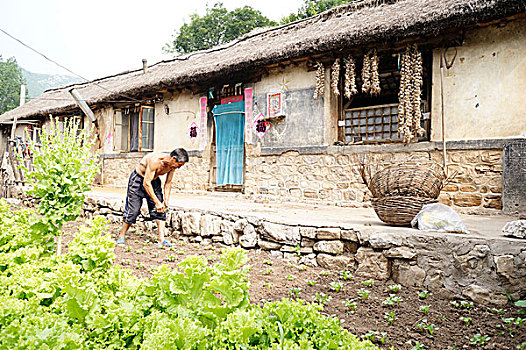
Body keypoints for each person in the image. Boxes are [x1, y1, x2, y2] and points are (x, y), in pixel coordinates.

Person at [116, 148, 188, 247]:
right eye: (179, 165)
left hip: (153, 182)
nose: (179, 167)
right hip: (138, 180)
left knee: (161, 210)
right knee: (133, 210)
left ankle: (161, 239)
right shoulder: (155, 161)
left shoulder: (172, 166)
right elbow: (146, 183)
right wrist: (157, 202)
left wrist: (166, 200)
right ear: (173, 158)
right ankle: (121, 235)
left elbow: (168, 183)